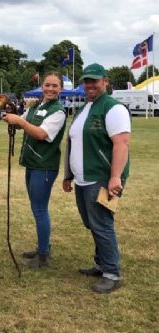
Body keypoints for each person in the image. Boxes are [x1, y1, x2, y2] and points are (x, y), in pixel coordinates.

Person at [63, 63, 130, 293]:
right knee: (92, 223)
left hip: (102, 177)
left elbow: (121, 144)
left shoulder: (113, 108)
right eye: (86, 81)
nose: (90, 85)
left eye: (94, 80)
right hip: (83, 178)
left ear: (105, 81)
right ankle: (101, 264)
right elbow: (74, 142)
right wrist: (68, 175)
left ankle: (112, 273)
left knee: (102, 224)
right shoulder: (84, 108)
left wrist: (115, 178)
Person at [2, 71, 67, 268]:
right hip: (32, 164)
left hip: (44, 166)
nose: (50, 89)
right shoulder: (37, 106)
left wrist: (20, 121)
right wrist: (10, 116)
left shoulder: (58, 111)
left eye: (54, 86)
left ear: (61, 89)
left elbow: (41, 133)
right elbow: (22, 122)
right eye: (47, 85)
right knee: (37, 207)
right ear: (42, 87)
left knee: (39, 209)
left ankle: (43, 255)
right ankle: (42, 247)